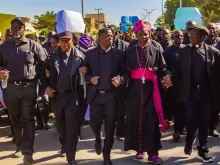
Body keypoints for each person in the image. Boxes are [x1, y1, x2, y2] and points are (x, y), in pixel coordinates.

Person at [0, 17, 47, 165]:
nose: (16, 29)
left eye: (19, 27)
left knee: (28, 119)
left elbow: (45, 64)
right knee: (15, 118)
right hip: (10, 89)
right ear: (10, 29)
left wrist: (45, 85)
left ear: (24, 29)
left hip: (29, 87)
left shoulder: (34, 45)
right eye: (13, 27)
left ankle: (28, 152)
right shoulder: (3, 47)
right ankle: (19, 145)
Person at [124, 20, 171, 165]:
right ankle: (139, 149)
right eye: (141, 34)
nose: (144, 36)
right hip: (134, 92)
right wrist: (120, 80)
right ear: (136, 35)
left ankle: (153, 153)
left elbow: (163, 68)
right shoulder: (130, 51)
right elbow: (125, 72)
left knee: (151, 122)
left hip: (151, 91)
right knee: (136, 121)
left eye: (146, 34)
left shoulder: (156, 49)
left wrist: (167, 75)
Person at [177, 25, 220, 163]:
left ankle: (203, 150)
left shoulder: (213, 52)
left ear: (203, 37)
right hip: (190, 92)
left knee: (204, 122)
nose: (190, 36)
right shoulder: (184, 51)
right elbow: (177, 71)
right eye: (190, 33)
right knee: (191, 120)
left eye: (194, 34)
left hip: (206, 93)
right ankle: (189, 141)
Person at [84, 28, 126, 165]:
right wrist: (90, 79)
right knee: (94, 123)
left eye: (112, 35)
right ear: (99, 38)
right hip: (96, 96)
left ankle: (106, 154)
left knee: (110, 127)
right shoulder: (90, 54)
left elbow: (126, 73)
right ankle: (97, 138)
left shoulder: (119, 54)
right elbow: (83, 72)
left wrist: (120, 79)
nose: (111, 37)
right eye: (107, 36)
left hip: (111, 97)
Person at [46, 31, 85, 165]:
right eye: (62, 40)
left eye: (67, 40)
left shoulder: (81, 56)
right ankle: (65, 143)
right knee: (61, 125)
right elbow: (42, 72)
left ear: (72, 41)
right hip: (57, 96)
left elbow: (89, 71)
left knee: (72, 125)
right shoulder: (52, 55)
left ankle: (71, 156)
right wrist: (46, 87)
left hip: (73, 95)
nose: (64, 43)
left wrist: (86, 71)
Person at [163, 30, 186, 141]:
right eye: (177, 36)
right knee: (177, 108)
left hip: (187, 83)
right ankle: (177, 130)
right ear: (173, 37)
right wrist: (167, 75)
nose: (180, 38)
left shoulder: (187, 49)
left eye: (181, 36)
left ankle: (183, 127)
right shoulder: (167, 52)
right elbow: (163, 68)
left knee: (185, 107)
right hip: (175, 84)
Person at [205, 23, 220, 137]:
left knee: (216, 104)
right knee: (205, 105)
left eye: (214, 28)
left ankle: (212, 128)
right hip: (204, 78)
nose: (212, 30)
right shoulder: (201, 43)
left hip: (217, 78)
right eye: (209, 28)